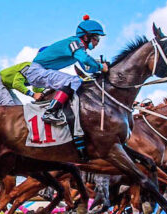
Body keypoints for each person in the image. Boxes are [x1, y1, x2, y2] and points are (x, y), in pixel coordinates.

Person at [23, 15, 108, 160]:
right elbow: (86, 61)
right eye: (96, 38)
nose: (98, 42)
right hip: (37, 71)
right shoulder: (75, 43)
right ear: (86, 37)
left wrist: (99, 68)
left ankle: (59, 110)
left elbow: (86, 67)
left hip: (41, 71)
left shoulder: (79, 49)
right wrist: (101, 66)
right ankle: (51, 111)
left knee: (77, 81)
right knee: (73, 81)